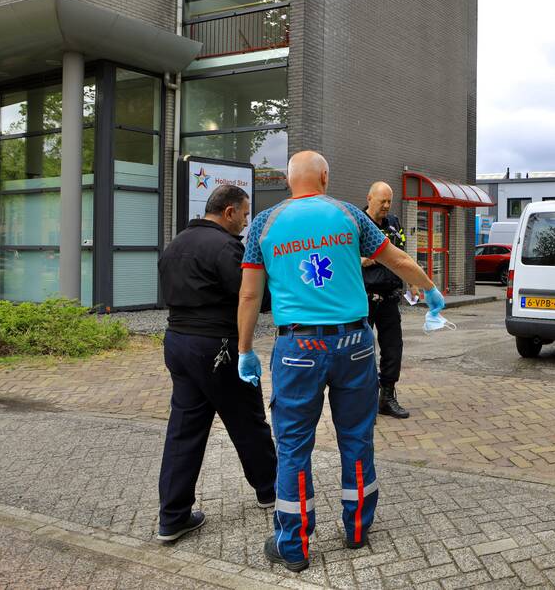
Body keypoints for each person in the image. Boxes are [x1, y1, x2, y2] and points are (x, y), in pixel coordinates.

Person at [236, 151, 445, 573]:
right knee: (356, 436)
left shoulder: (264, 223)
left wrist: (244, 351)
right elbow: (398, 260)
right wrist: (431, 292)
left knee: (294, 445)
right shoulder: (349, 215)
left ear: (288, 179)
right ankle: (356, 529)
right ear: (326, 177)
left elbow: (249, 296)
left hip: (298, 349)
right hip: (355, 342)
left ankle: (293, 545)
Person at [155, 184, 278, 543]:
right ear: (227, 212)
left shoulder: (175, 245)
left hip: (177, 344)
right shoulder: (226, 247)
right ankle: (270, 490)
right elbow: (254, 296)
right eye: (243, 212)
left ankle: (172, 517)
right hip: (217, 346)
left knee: (184, 429)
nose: (245, 220)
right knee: (248, 419)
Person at [361, 181, 417, 419]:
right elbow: (342, 258)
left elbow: (402, 255)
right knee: (362, 351)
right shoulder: (357, 223)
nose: (385, 206)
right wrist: (361, 260)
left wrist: (413, 281)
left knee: (393, 349)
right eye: (382, 201)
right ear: (369, 198)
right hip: (364, 298)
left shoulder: (393, 224)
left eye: (388, 201)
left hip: (390, 297)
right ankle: (364, 403)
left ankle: (387, 397)